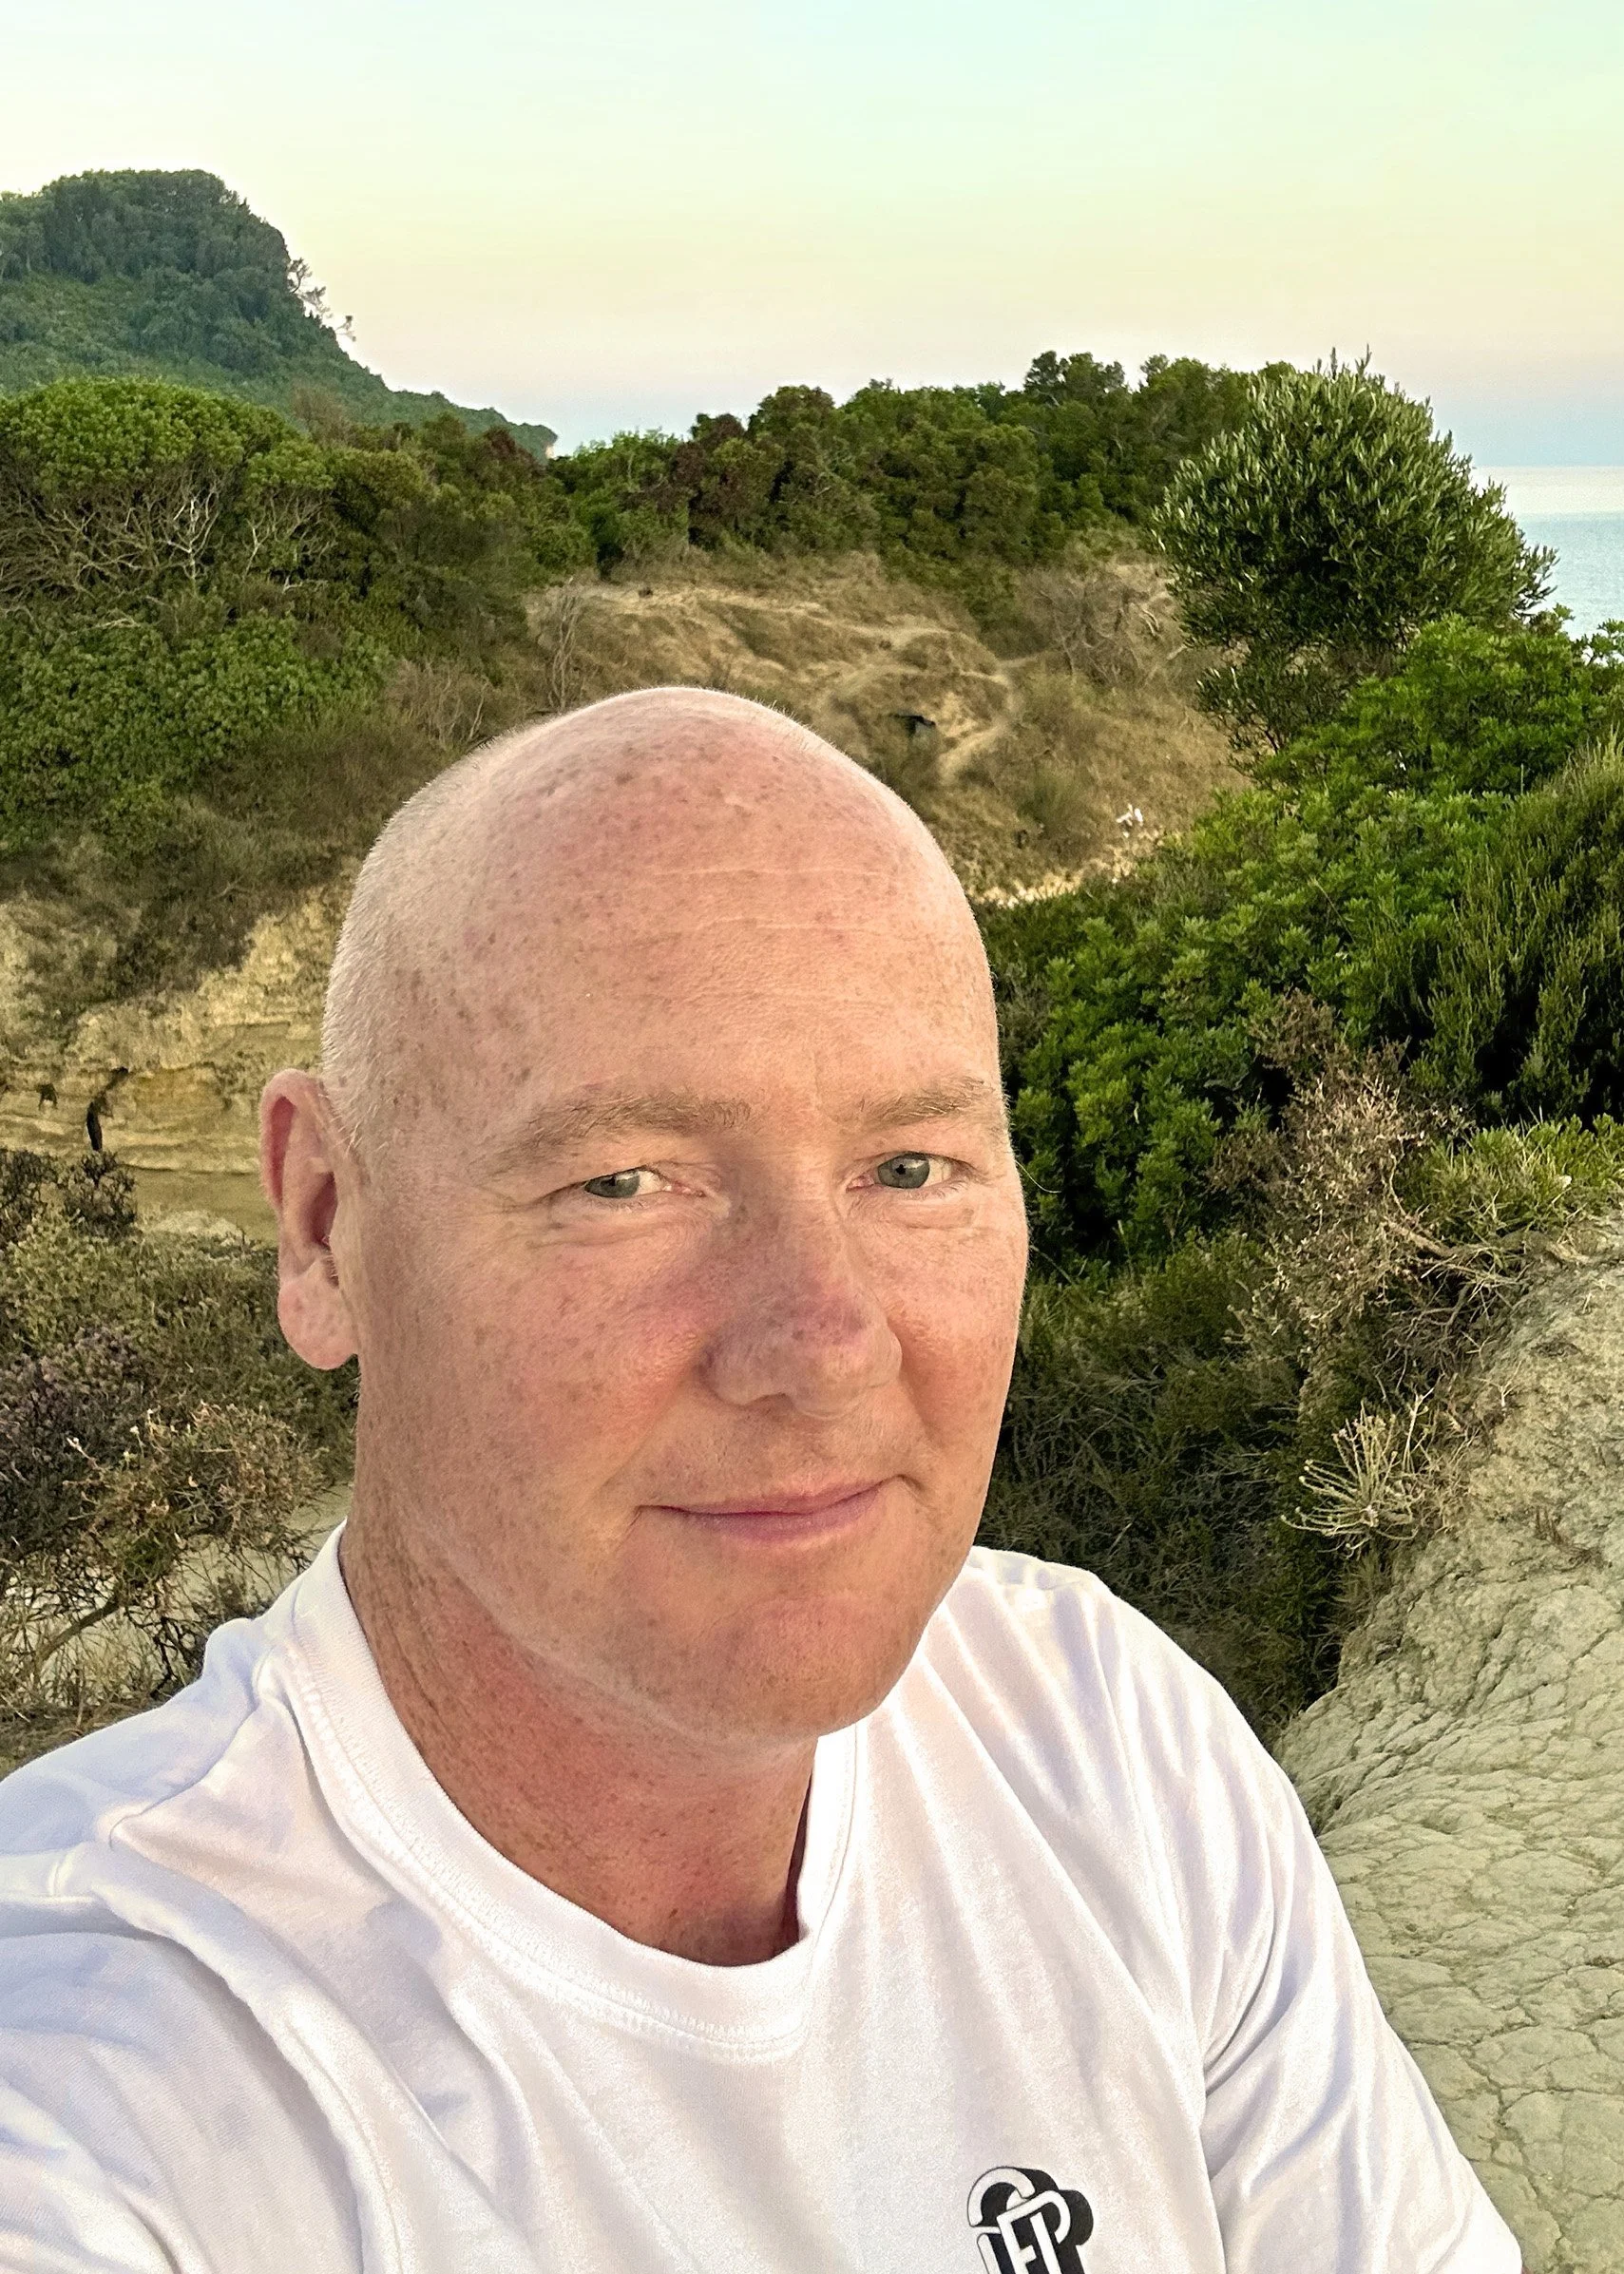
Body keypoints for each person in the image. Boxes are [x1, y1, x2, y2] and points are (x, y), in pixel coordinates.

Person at [0, 689, 1520, 2271]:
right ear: (324, 1228)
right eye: (625, 1182)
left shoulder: (1101, 1738)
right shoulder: (100, 2078)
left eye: (910, 1168)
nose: (823, 1345)